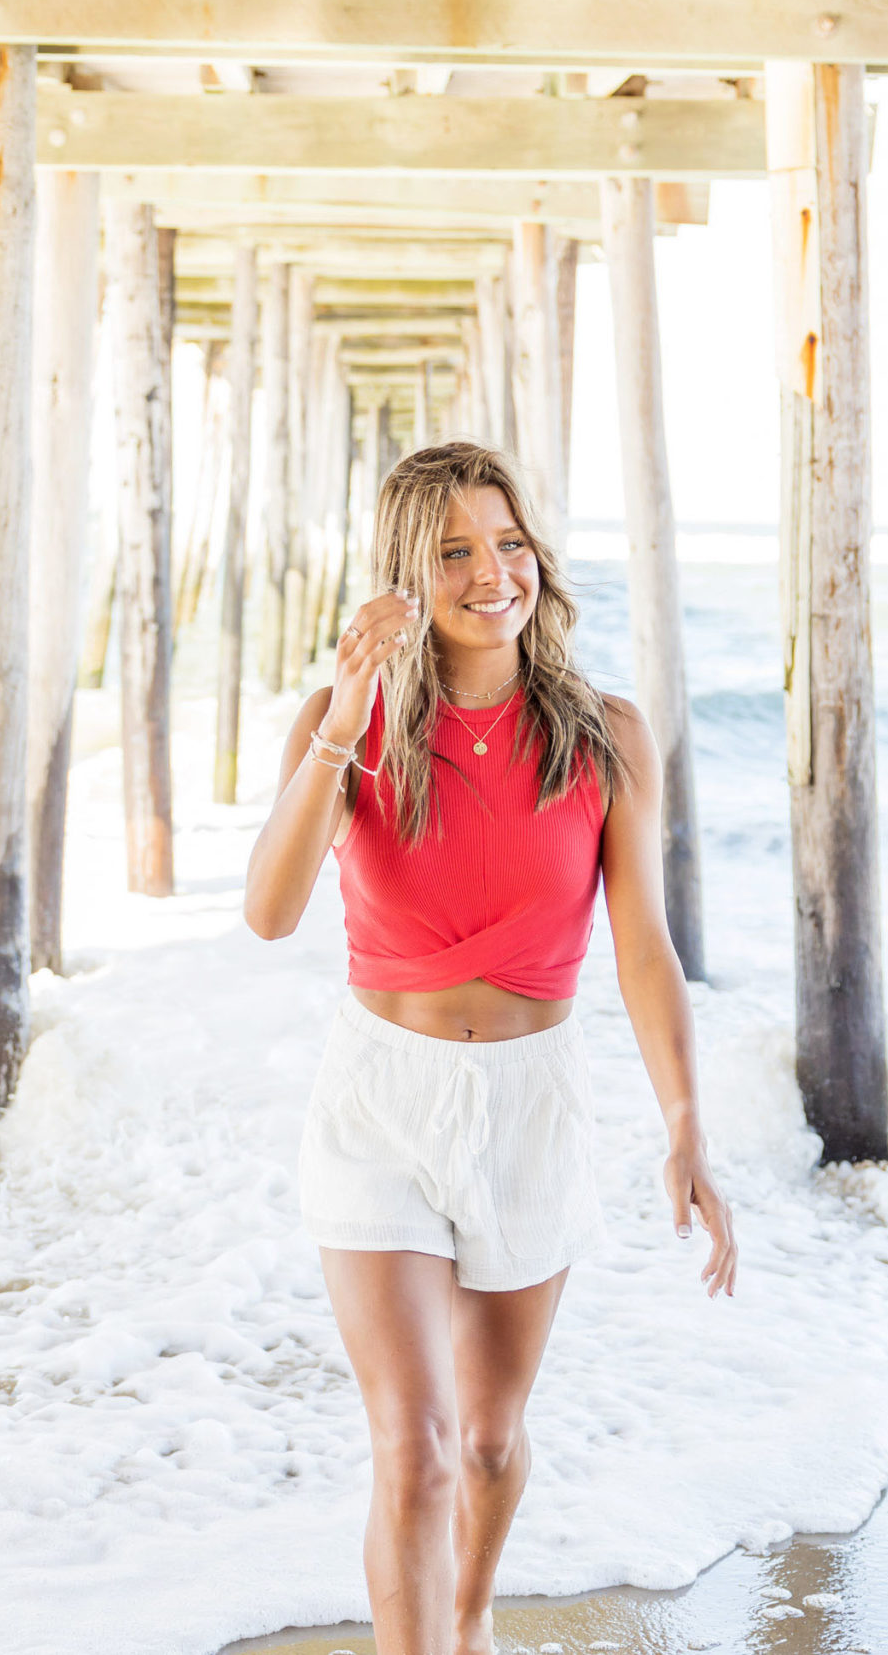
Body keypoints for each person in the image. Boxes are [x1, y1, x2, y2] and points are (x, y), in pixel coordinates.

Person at [244, 441, 739, 1655]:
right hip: (380, 1107)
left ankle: (465, 1620)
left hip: (531, 1104)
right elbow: (269, 912)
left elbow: (642, 951)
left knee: (485, 1441)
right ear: (407, 577)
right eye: (455, 551)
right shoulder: (346, 725)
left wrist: (684, 1125)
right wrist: (340, 725)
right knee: (410, 1450)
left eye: (507, 543)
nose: (490, 572)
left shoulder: (605, 732)